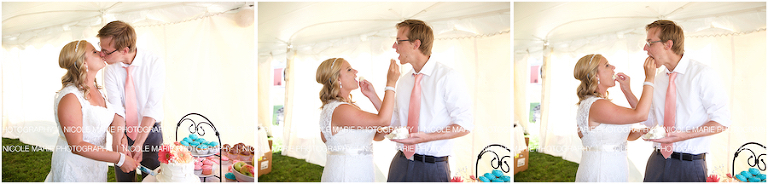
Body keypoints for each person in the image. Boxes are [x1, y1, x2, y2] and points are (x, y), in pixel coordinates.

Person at [641, 20, 731, 182]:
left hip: (689, 166)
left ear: (668, 44)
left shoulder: (702, 74)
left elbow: (722, 121)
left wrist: (681, 136)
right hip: (657, 161)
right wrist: (626, 89)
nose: (645, 49)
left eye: (649, 43)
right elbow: (650, 120)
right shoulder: (657, 79)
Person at [385, 19, 473, 182]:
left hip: (432, 169)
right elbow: (394, 122)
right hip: (400, 163)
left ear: (415, 44)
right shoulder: (404, 81)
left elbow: (465, 125)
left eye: (398, 41)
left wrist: (428, 137)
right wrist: (374, 96)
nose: (394, 47)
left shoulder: (447, 77)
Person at [47, 40, 139, 181]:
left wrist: (120, 136)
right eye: (95, 52)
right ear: (83, 62)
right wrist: (119, 159)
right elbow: (76, 145)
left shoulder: (97, 90)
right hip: (74, 166)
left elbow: (103, 120)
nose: (101, 53)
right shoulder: (70, 97)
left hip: (96, 165)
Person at [98, 20, 166, 181]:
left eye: (106, 51)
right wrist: (118, 139)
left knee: (153, 178)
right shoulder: (110, 70)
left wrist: (139, 143)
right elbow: (116, 108)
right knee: (124, 179)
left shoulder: (155, 63)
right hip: (123, 130)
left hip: (150, 131)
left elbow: (152, 107)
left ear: (125, 50)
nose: (101, 54)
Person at [573, 54, 656, 182]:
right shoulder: (598, 105)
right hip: (601, 173)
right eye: (607, 65)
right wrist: (649, 78)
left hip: (615, 169)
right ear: (596, 75)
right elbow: (641, 115)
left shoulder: (599, 103)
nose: (613, 67)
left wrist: (639, 132)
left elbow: (623, 134)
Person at [316, 58, 400, 181]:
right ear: (338, 79)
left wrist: (372, 95)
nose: (355, 71)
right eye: (349, 69)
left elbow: (374, 136)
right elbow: (383, 120)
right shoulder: (340, 110)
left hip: (362, 171)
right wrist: (391, 83)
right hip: (346, 175)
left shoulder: (350, 106)